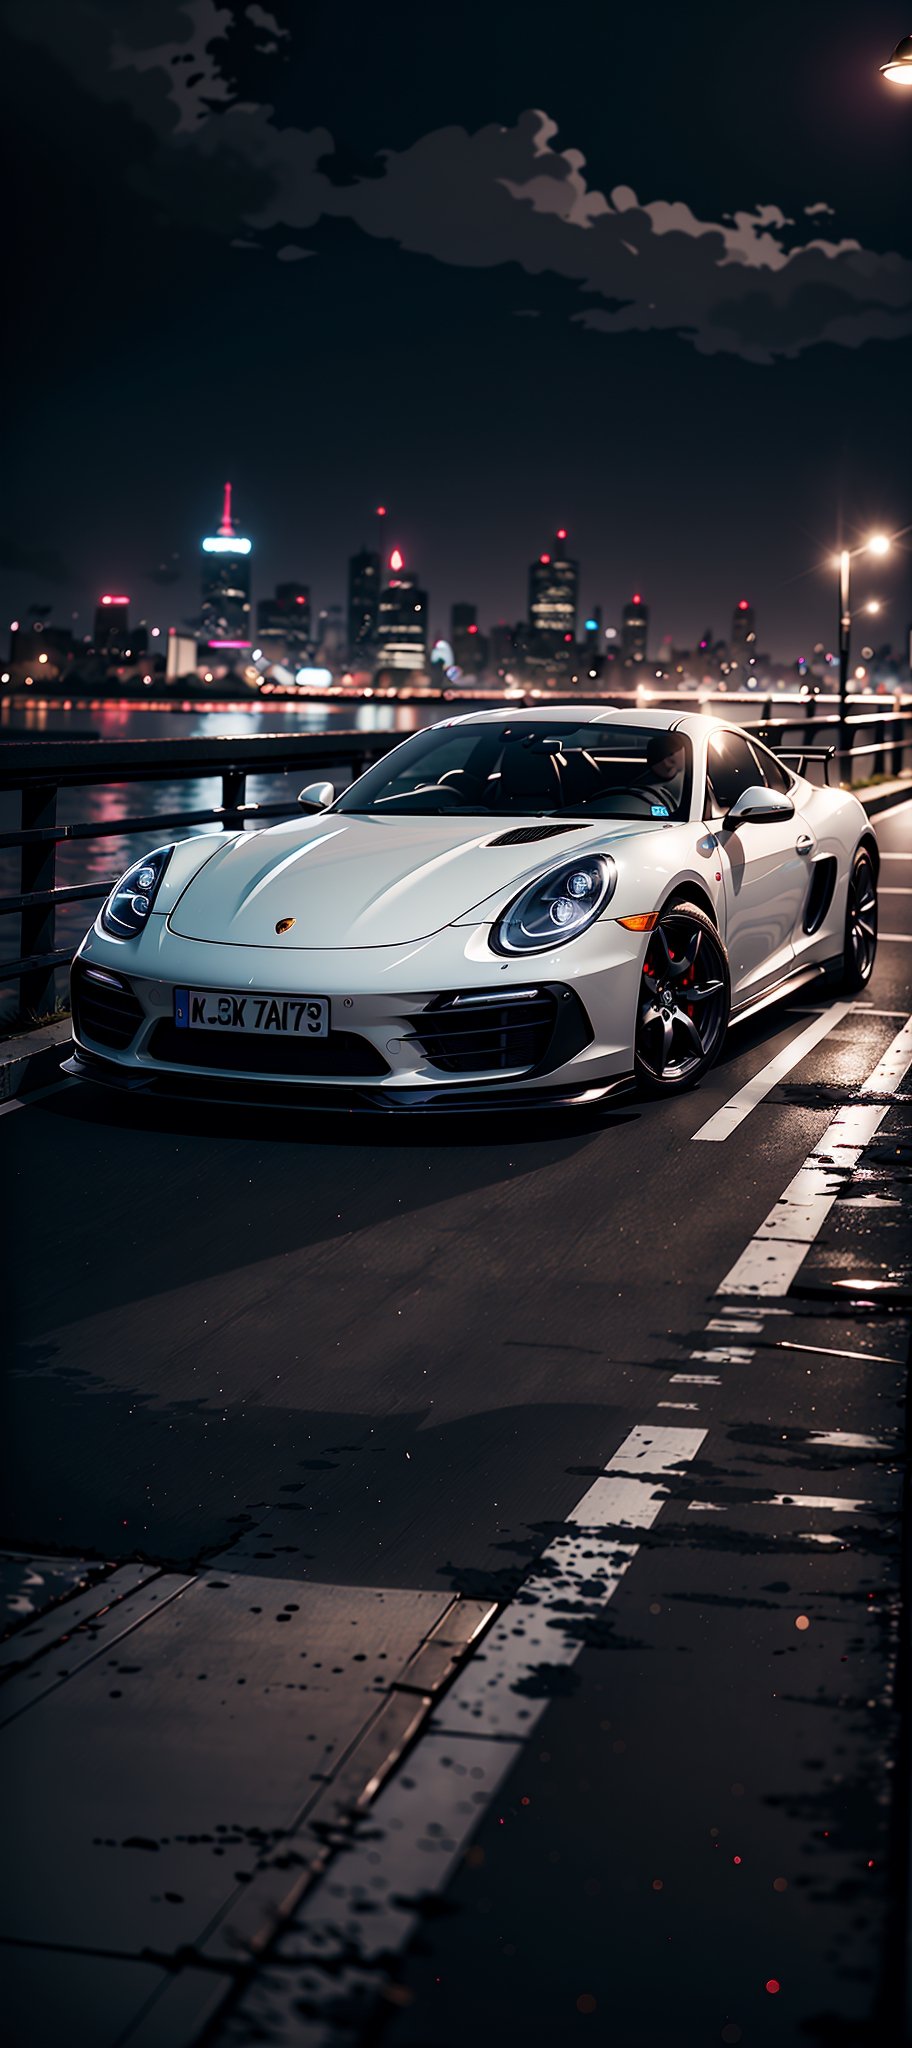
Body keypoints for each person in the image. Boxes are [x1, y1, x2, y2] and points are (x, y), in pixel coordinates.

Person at [632, 731, 688, 815]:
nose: (687, 756)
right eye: (683, 750)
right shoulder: (694, 784)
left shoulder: (636, 787)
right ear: (670, 760)